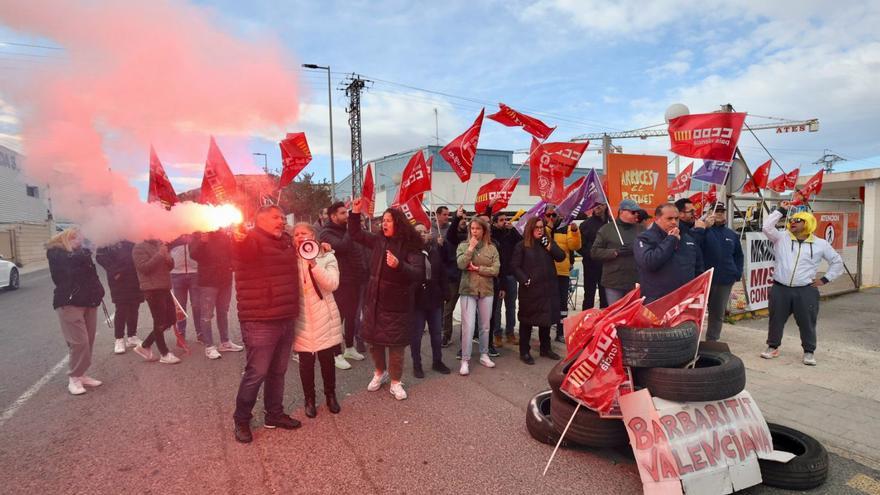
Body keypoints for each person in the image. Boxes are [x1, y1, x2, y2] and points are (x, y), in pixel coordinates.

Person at [232, 205, 302, 443]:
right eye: (275, 217)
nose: (281, 221)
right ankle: (241, 419)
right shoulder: (250, 240)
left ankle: (274, 414)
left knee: (278, 372)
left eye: (283, 217)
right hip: (260, 319)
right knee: (257, 372)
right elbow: (242, 249)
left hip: (285, 316)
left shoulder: (286, 242)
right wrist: (239, 236)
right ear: (259, 220)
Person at [349, 198, 425, 400]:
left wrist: (399, 265)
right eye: (383, 220)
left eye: (389, 220)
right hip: (374, 302)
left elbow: (418, 272)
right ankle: (379, 373)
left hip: (396, 305)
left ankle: (395, 382)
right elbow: (355, 233)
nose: (384, 223)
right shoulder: (378, 240)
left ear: (398, 223)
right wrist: (355, 213)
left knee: (396, 345)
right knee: (375, 342)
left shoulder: (410, 245)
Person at [760, 206, 844, 366]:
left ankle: (809, 351)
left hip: (806, 290)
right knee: (776, 319)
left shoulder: (821, 244)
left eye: (798, 220)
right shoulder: (781, 238)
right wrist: (781, 211)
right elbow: (766, 227)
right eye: (791, 220)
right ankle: (773, 347)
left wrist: (825, 279)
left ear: (808, 223)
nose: (792, 222)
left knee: (807, 321)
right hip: (780, 288)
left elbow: (837, 262)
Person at [291, 223, 344, 418]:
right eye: (296, 234)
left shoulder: (327, 256)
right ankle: (309, 399)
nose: (300, 236)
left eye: (304, 233)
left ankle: (330, 396)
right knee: (305, 364)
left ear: (313, 235)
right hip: (302, 319)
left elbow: (332, 284)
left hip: (324, 316)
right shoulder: (289, 259)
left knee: (327, 361)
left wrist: (313, 263)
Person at [47, 228, 106, 395]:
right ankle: (74, 378)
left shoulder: (81, 254)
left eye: (79, 237)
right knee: (79, 342)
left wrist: (98, 290)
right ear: (67, 238)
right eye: (75, 238)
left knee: (89, 340)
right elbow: (66, 270)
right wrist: (84, 254)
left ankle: (81, 374)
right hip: (69, 302)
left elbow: (91, 275)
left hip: (89, 301)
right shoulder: (56, 253)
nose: (79, 241)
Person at [319, 201, 368, 370]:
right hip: (339, 282)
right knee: (337, 318)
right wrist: (350, 230)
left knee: (352, 316)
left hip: (355, 279)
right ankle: (336, 354)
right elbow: (342, 247)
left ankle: (349, 348)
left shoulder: (348, 231)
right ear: (333, 216)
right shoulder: (326, 233)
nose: (347, 216)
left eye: (347, 213)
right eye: (342, 213)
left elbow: (359, 252)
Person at [512, 215, 566, 364]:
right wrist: (525, 280)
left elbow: (561, 256)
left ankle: (546, 348)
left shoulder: (547, 243)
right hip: (531, 290)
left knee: (546, 320)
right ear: (530, 229)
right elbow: (515, 266)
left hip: (547, 289)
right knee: (527, 321)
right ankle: (524, 351)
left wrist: (549, 245)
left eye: (542, 227)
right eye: (537, 227)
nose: (540, 230)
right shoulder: (522, 245)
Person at [456, 217, 500, 375]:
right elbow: (461, 264)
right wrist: (470, 249)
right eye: (472, 229)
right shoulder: (463, 246)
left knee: (485, 325)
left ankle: (484, 354)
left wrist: (478, 269)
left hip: (486, 290)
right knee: (468, 326)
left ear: (484, 231)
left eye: (477, 229)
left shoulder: (492, 248)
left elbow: (496, 270)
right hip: (468, 290)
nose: (474, 231)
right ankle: (465, 360)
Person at [190, 229, 243, 360]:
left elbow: (232, 253)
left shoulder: (224, 234)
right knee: (207, 315)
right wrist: (202, 242)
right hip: (208, 281)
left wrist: (232, 265)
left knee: (223, 311)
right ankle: (209, 346)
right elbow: (193, 255)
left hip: (225, 279)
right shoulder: (198, 234)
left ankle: (225, 342)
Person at [634, 203, 703, 304]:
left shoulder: (687, 238)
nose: (674, 222)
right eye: (669, 219)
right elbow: (649, 263)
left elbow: (698, 266)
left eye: (676, 218)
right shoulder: (644, 238)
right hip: (657, 300)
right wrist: (671, 240)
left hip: (684, 300)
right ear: (657, 219)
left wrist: (697, 291)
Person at [132, 238, 181, 364]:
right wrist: (160, 254)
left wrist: (168, 257)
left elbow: (169, 266)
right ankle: (164, 353)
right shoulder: (139, 248)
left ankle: (145, 346)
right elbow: (144, 268)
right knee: (159, 321)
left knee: (170, 319)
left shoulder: (159, 244)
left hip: (164, 286)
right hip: (152, 289)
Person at [411, 223, 451, 377]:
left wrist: (445, 292)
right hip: (418, 300)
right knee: (417, 334)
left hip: (435, 299)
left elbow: (442, 273)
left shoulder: (434, 251)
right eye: (418, 231)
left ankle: (437, 361)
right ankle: (417, 364)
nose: (422, 234)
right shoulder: (409, 251)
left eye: (425, 231)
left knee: (436, 333)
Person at [701, 203, 744, 341]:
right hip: (703, 279)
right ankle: (692, 342)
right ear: (708, 213)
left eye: (722, 211)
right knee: (697, 313)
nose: (719, 213)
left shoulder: (731, 234)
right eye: (716, 211)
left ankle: (712, 341)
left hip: (724, 280)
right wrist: (704, 226)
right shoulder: (701, 230)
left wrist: (736, 273)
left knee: (717, 313)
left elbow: (738, 255)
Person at [590, 199, 645, 305]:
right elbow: (594, 252)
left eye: (637, 212)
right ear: (622, 212)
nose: (636, 214)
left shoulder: (641, 229)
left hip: (635, 279)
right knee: (615, 314)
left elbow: (649, 249)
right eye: (633, 212)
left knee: (632, 315)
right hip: (613, 280)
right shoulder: (607, 229)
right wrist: (615, 252)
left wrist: (636, 248)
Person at [95, 240, 144, 354]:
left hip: (135, 277)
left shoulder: (132, 236)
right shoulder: (108, 237)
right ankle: (119, 338)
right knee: (121, 308)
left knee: (134, 307)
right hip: (119, 280)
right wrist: (116, 271)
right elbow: (100, 257)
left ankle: (132, 336)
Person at [548, 208, 581, 343]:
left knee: (562, 304)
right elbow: (541, 242)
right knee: (548, 303)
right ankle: (544, 334)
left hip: (562, 271)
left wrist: (574, 231)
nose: (551, 217)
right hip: (547, 271)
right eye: (548, 215)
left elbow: (574, 246)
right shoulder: (543, 228)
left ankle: (560, 332)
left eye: (554, 214)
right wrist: (548, 228)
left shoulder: (566, 227)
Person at [489, 212, 522, 348]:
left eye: (506, 219)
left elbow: (521, 242)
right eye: (501, 220)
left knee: (511, 305)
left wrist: (512, 229)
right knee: (496, 307)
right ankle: (497, 334)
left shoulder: (510, 233)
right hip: (497, 275)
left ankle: (510, 332)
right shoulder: (492, 235)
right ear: (495, 222)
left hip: (510, 274)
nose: (504, 222)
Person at [441, 208, 468, 347]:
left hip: (468, 279)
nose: (464, 221)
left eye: (465, 218)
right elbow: (451, 233)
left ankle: (468, 337)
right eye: (461, 219)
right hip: (453, 279)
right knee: (448, 310)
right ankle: (446, 335)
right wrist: (457, 217)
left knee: (468, 311)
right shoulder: (452, 237)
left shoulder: (470, 236)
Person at [168, 234, 200, 346]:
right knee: (180, 307)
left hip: (194, 272)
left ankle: (200, 333)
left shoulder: (196, 230)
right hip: (177, 273)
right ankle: (181, 333)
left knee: (196, 305)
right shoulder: (171, 232)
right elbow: (165, 250)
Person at [576, 204, 609, 309]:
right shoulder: (585, 224)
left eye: (600, 204)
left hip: (607, 265)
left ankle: (605, 323)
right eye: (595, 205)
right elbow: (579, 246)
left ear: (606, 206)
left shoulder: (611, 225)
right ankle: (585, 321)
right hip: (590, 265)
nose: (597, 207)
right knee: (589, 294)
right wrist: (590, 254)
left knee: (605, 297)